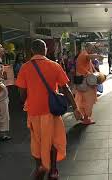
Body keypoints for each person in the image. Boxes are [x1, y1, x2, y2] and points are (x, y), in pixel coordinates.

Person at [16, 39, 82, 180]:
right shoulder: (55, 66)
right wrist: (75, 108)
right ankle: (53, 170)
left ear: (32, 51)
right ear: (45, 49)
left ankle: (40, 166)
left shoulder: (25, 67)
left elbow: (22, 92)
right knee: (52, 139)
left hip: (33, 111)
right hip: (51, 110)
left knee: (36, 141)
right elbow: (66, 88)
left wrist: (26, 102)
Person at [75, 43, 103, 125]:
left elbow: (91, 66)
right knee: (88, 101)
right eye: (90, 47)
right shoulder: (84, 54)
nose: (91, 49)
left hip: (83, 82)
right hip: (86, 83)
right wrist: (98, 56)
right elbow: (88, 57)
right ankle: (86, 119)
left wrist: (96, 73)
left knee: (82, 100)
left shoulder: (84, 54)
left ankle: (84, 117)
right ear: (86, 47)